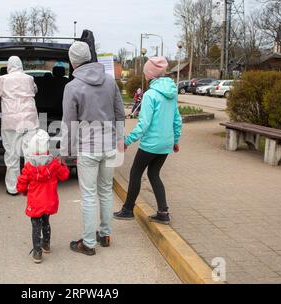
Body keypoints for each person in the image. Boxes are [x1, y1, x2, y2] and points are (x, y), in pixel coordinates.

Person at [61, 41, 125, 256]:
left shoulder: (72, 87)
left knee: (89, 196)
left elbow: (69, 123)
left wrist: (65, 153)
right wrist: (118, 139)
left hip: (88, 149)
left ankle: (88, 243)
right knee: (106, 191)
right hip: (109, 147)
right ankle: (105, 235)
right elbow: (119, 114)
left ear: (73, 61)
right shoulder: (109, 81)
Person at [113, 56, 182, 224]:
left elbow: (143, 125)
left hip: (151, 144)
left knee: (135, 173)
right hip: (166, 143)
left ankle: (128, 209)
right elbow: (177, 119)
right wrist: (176, 140)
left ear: (150, 75)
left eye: (145, 73)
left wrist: (127, 141)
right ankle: (163, 212)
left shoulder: (150, 95)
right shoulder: (172, 93)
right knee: (153, 174)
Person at [0, 56, 39, 195]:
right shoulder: (29, 79)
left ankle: (13, 188)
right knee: (30, 154)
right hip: (29, 121)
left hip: (11, 123)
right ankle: (31, 186)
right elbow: (34, 90)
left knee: (12, 155)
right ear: (21, 65)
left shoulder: (3, 79)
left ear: (9, 66)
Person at [16, 130, 70, 263]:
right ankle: (46, 244)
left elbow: (21, 183)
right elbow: (64, 175)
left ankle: (37, 252)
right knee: (46, 222)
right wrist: (62, 164)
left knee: (36, 226)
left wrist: (23, 192)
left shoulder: (29, 168)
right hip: (49, 201)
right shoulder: (54, 164)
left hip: (35, 203)